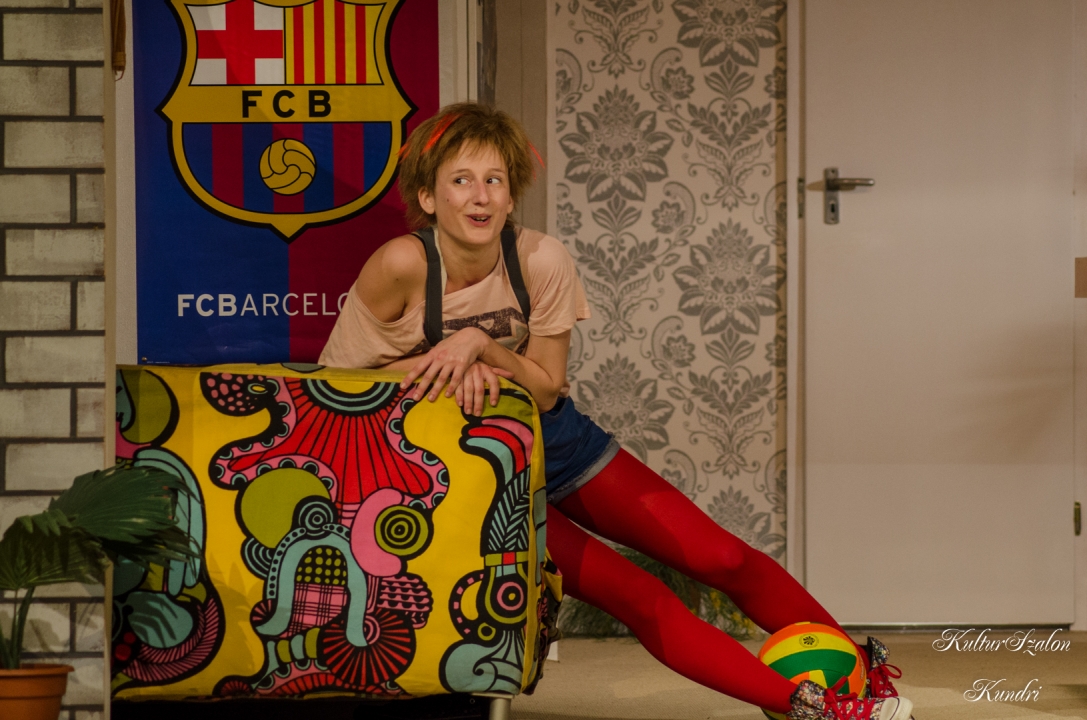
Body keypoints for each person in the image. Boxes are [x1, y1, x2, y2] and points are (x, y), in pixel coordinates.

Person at [320, 103, 913, 720]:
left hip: (550, 436)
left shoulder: (541, 259)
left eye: (494, 179)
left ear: (511, 193)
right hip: (458, 470)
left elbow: (546, 387)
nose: (480, 196)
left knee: (723, 558)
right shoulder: (401, 266)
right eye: (461, 180)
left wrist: (481, 345)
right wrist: (444, 367)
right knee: (638, 596)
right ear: (428, 196)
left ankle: (863, 679)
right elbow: (335, 387)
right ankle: (817, 709)